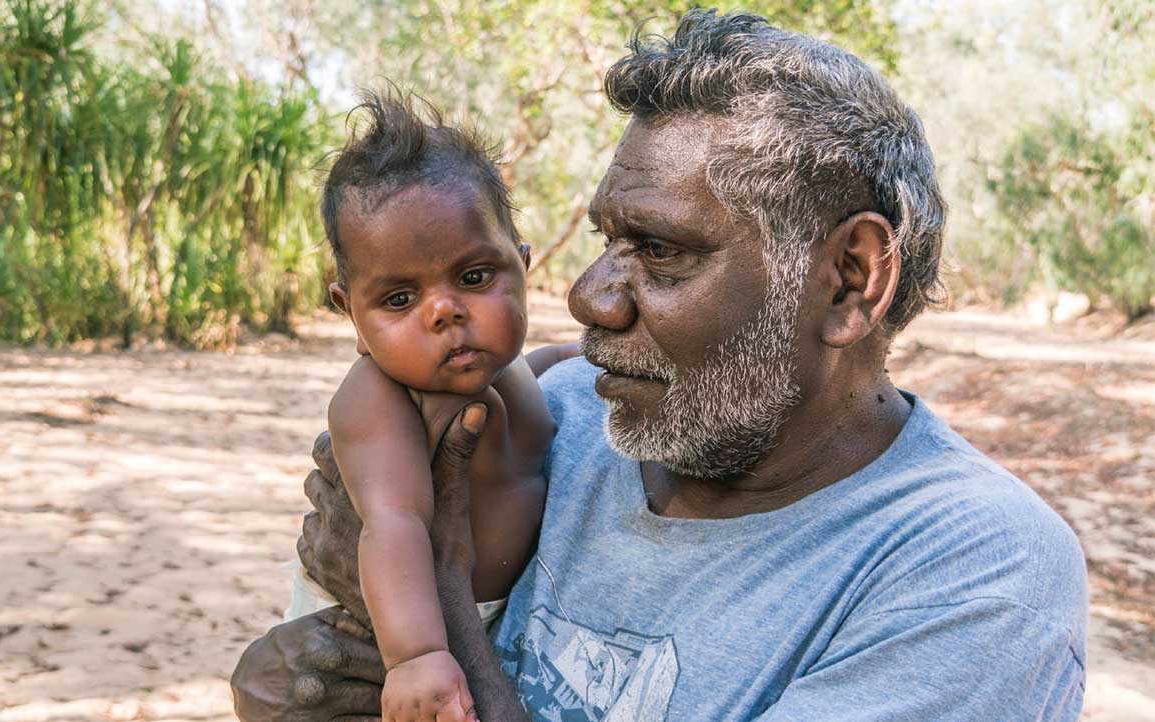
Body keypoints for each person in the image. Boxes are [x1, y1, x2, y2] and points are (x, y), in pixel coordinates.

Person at [232, 10, 1088, 722]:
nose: (590, 296)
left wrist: (446, 606)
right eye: (609, 239)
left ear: (849, 280)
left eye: (661, 249)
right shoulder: (557, 410)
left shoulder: (971, 573)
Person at [312, 91, 555, 722]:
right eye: (398, 299)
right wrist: (416, 655)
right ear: (352, 315)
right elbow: (393, 521)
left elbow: (548, 367)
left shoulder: (515, 369)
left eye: (474, 278)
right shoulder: (380, 398)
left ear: (522, 265)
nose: (444, 311)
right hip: (395, 626)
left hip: (499, 618)